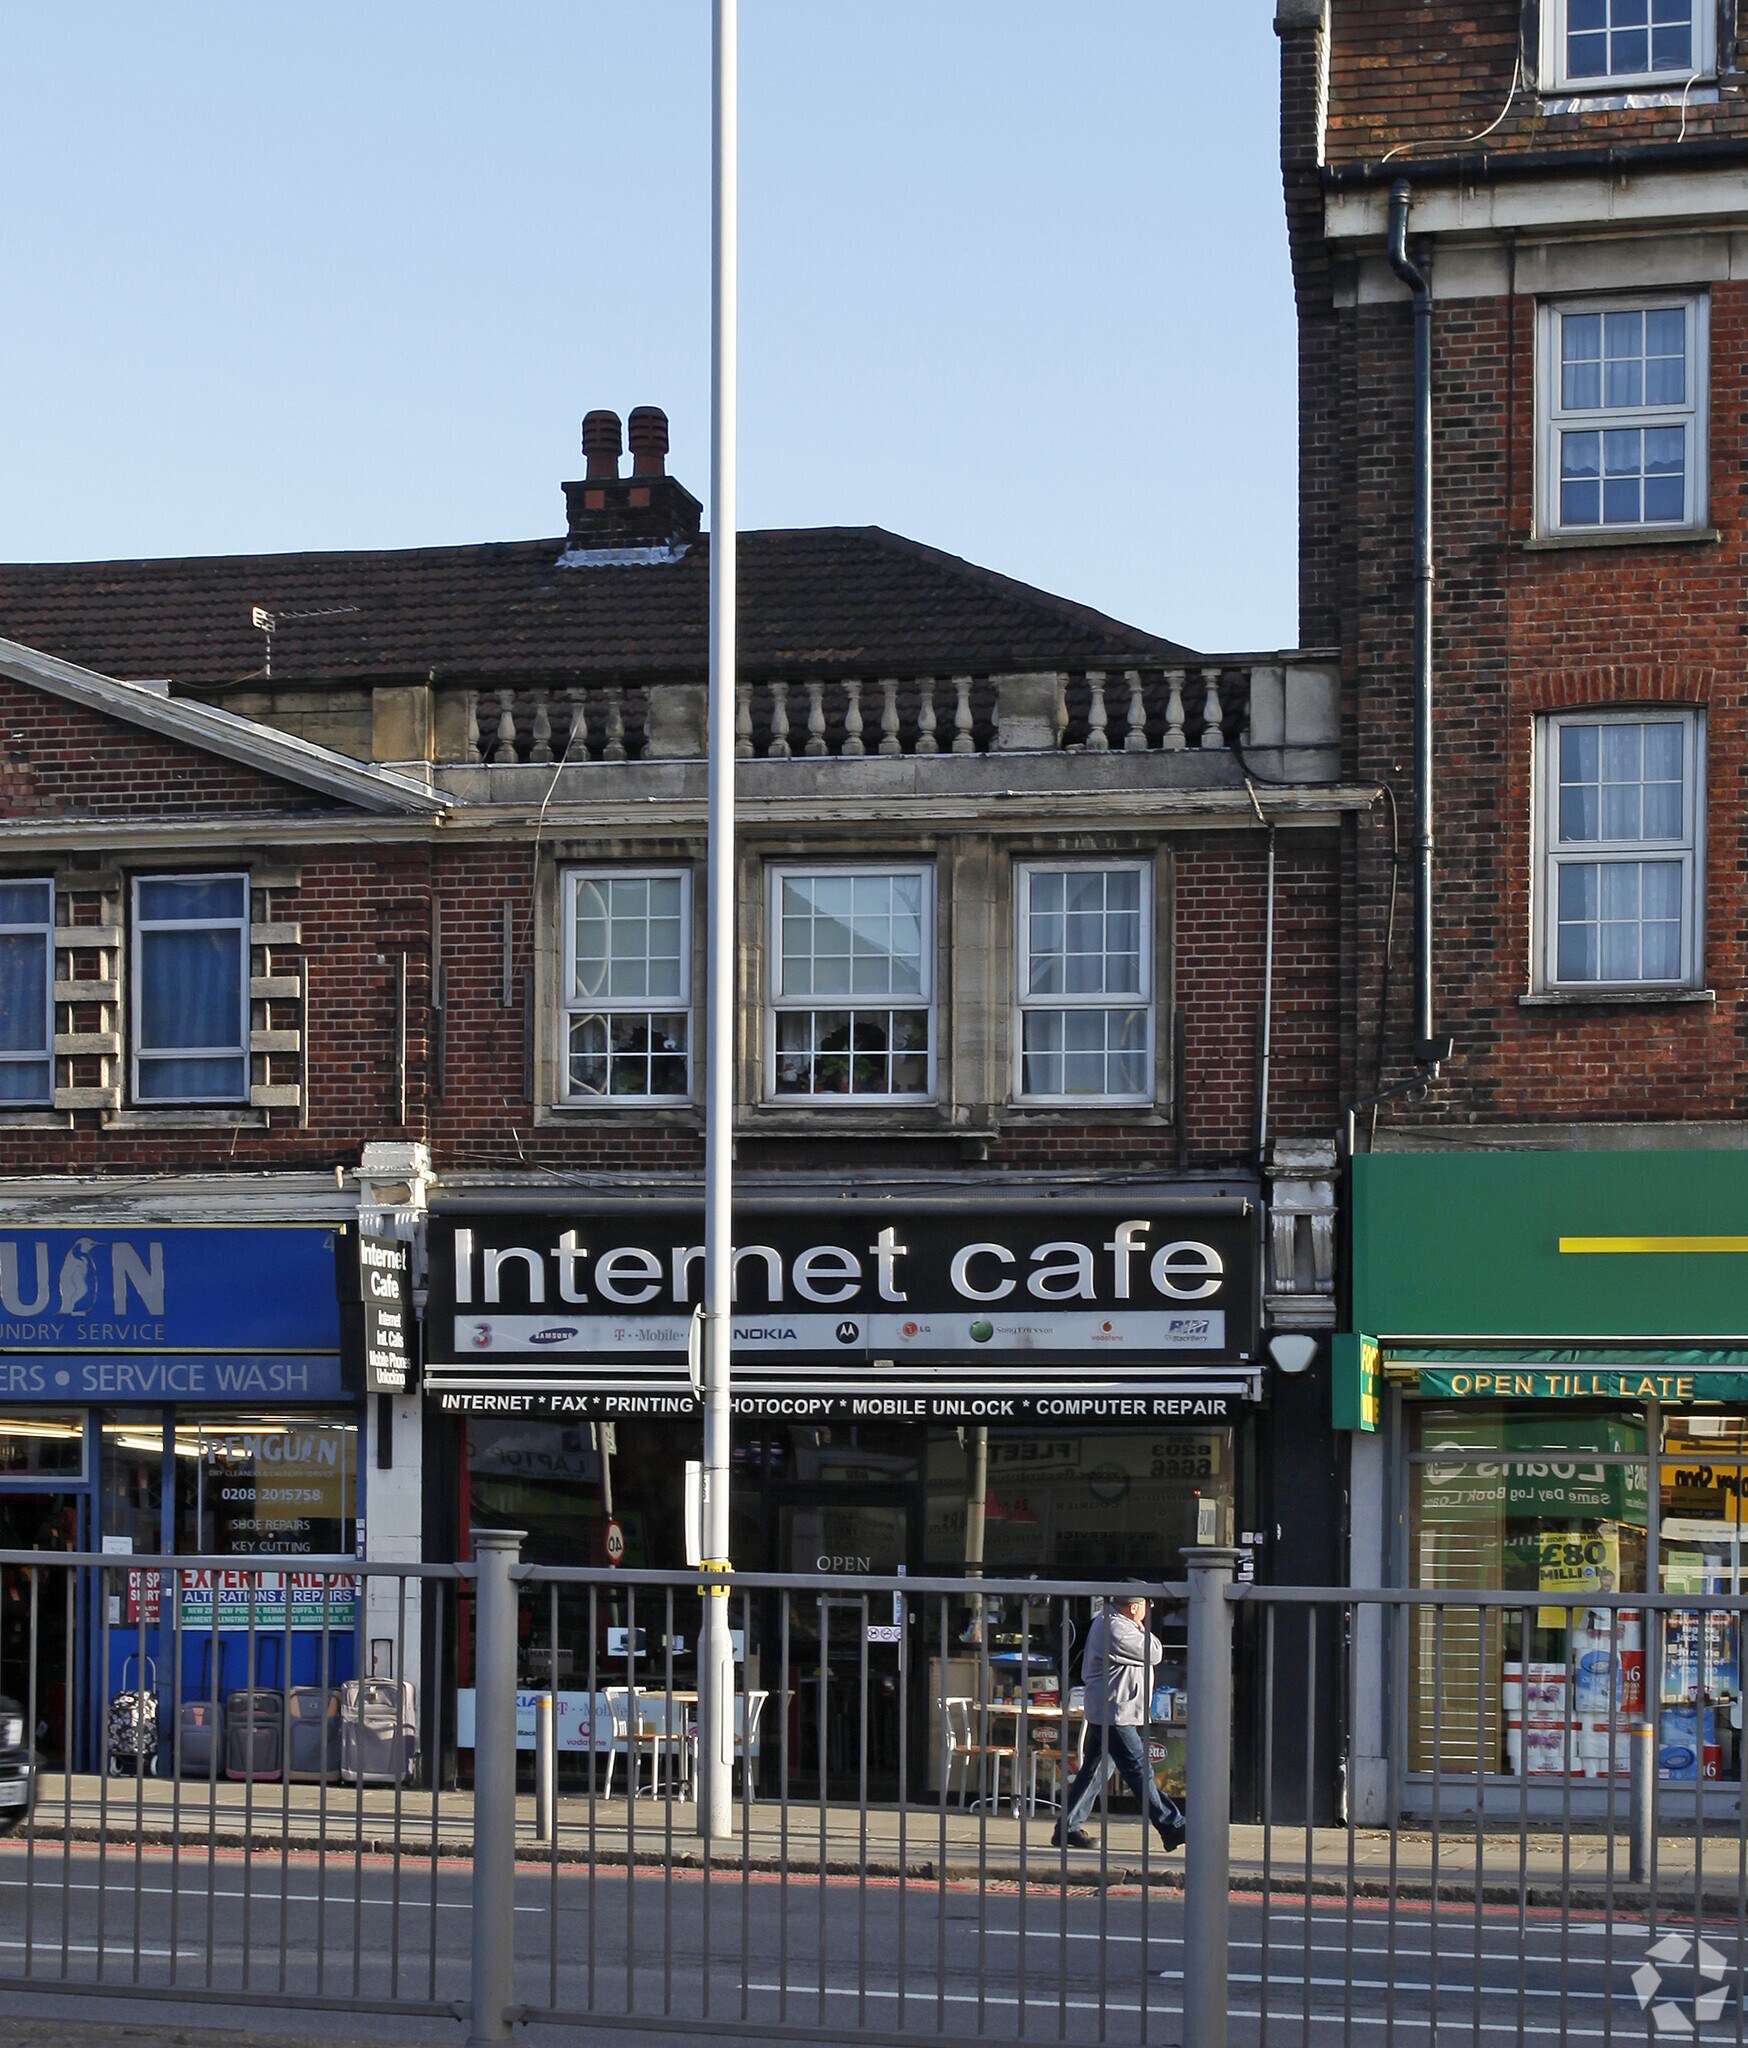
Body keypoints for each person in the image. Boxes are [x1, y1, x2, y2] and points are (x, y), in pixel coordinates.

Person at [1052, 1593, 1185, 1854]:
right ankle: (1173, 1826)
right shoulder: (1118, 1629)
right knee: (1139, 1770)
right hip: (1115, 1714)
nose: (1149, 1610)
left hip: (1112, 1710)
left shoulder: (1114, 1623)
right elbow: (1154, 1652)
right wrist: (1141, 1627)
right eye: (1147, 1605)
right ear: (1134, 1607)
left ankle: (1067, 1828)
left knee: (1095, 1772)